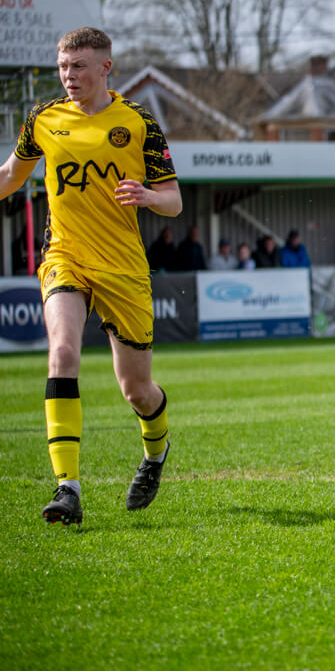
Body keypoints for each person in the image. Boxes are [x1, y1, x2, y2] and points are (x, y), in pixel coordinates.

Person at [0, 26, 182, 525]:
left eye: (78, 66)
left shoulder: (139, 122)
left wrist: (147, 196)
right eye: (63, 67)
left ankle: (155, 453)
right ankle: (68, 488)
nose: (68, 76)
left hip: (123, 266)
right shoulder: (43, 118)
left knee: (137, 390)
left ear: (106, 67)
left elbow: (174, 199)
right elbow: (11, 176)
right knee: (61, 352)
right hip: (65, 256)